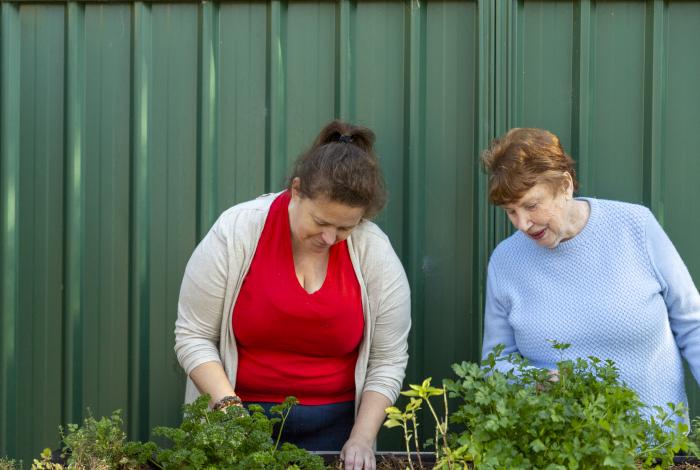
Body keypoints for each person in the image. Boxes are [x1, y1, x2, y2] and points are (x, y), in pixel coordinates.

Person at [174, 120, 411, 469]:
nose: (330, 238)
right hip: (239, 422)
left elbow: (387, 360)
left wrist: (361, 438)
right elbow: (193, 335)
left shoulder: (374, 252)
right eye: (320, 222)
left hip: (336, 432)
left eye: (345, 228)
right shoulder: (237, 230)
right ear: (296, 191)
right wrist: (228, 410)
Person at [480, 127, 700, 422]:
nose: (522, 223)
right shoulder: (506, 262)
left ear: (566, 185)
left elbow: (692, 324)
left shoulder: (635, 227)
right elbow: (495, 362)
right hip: (561, 451)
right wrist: (537, 380)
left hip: (657, 447)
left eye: (531, 205)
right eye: (510, 211)